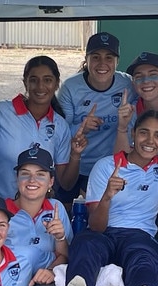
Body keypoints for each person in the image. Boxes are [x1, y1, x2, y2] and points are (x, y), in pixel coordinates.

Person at [64, 110, 158, 286]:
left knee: (143, 255)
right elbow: (96, 226)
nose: (150, 141)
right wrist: (107, 198)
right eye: (143, 133)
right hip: (106, 232)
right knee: (85, 243)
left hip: (140, 234)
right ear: (132, 134)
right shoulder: (106, 166)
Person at [5, 146, 73, 286]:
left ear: (51, 181)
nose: (32, 180)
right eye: (25, 173)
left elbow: (65, 255)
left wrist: (60, 239)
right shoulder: (1, 212)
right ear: (17, 178)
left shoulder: (56, 208)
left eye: (40, 174)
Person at [0, 55, 87, 200]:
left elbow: (66, 184)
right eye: (33, 80)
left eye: (47, 80)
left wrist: (75, 155)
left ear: (57, 83)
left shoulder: (60, 126)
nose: (40, 87)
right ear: (25, 83)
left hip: (36, 213)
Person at [56, 32, 136, 205]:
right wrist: (81, 128)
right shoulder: (71, 87)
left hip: (110, 168)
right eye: (96, 57)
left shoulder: (127, 84)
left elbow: (154, 89)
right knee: (67, 216)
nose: (102, 64)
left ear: (117, 62)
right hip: (76, 166)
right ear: (87, 59)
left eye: (109, 57)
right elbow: (59, 131)